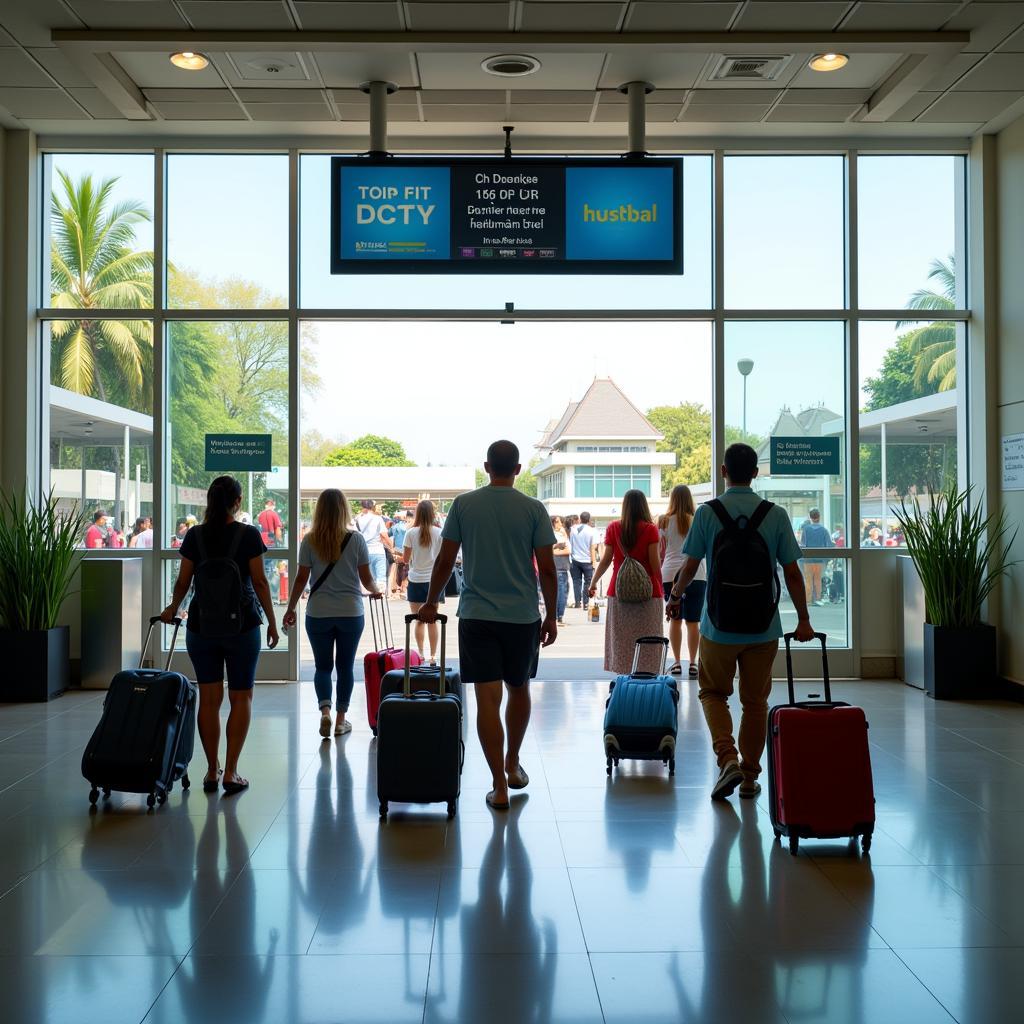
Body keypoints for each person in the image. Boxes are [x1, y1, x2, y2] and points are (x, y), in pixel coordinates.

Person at [667, 444, 815, 802]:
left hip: (718, 625)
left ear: (723, 471)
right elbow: (793, 574)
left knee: (712, 692)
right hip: (763, 626)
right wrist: (804, 620)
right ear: (756, 473)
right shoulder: (775, 514)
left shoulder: (708, 513)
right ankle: (749, 778)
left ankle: (727, 758)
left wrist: (674, 598)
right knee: (755, 701)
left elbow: (689, 568)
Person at [418, 440, 557, 812]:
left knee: (487, 701)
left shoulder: (464, 505)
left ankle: (498, 785)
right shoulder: (533, 509)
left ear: (486, 466)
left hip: (477, 615)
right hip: (522, 617)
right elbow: (546, 568)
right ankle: (512, 763)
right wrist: (552, 616)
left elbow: (445, 559)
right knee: (519, 688)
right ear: (518, 469)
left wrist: (431, 601)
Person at [161, 475, 279, 796]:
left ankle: (212, 771)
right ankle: (232, 771)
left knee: (209, 699)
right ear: (237, 502)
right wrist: (271, 621)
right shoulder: (249, 535)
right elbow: (260, 583)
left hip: (202, 626)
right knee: (242, 696)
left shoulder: (195, 535)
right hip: (241, 627)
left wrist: (173, 607)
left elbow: (184, 582)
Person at [282, 489, 382, 739]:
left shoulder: (309, 540)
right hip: (350, 612)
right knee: (346, 666)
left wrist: (291, 607)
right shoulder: (356, 539)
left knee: (323, 667)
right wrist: (376, 590)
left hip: (318, 613)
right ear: (344, 509)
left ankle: (325, 712)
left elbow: (301, 579)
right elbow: (366, 578)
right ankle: (340, 720)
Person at [589, 489, 664, 676]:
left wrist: (593, 582)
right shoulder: (650, 529)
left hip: (619, 592)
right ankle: (646, 680)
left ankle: (624, 683)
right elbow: (655, 566)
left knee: (621, 641)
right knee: (649, 640)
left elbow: (605, 560)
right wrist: (664, 591)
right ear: (643, 506)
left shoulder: (613, 528)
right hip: (648, 594)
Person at [659, 484, 706, 678]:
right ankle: (693, 663)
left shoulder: (663, 521)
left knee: (675, 621)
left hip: (669, 574)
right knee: (693, 622)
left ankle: (677, 663)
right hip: (696, 574)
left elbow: (660, 552)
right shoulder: (697, 520)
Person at [403, 499, 444, 663]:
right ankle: (434, 656)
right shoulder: (440, 532)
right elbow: (443, 559)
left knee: (418, 620)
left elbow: (406, 559)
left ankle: (421, 654)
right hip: (434, 581)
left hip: (415, 580)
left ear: (417, 514)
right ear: (433, 514)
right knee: (433, 620)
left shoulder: (410, 533)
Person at [355, 499, 393, 595]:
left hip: (364, 552)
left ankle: (370, 592)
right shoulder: (377, 519)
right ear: (372, 507)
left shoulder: (357, 519)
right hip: (378, 551)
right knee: (380, 576)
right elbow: (383, 535)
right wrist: (391, 547)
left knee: (369, 576)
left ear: (362, 507)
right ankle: (379, 594)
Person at [798, 507, 834, 607]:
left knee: (808, 581)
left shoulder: (806, 530)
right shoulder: (824, 530)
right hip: (820, 559)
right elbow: (829, 545)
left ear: (810, 517)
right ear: (819, 517)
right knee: (817, 580)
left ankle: (808, 601)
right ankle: (817, 598)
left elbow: (803, 544)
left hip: (808, 559)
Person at [568, 511, 598, 610]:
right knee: (588, 582)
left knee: (576, 581)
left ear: (580, 519)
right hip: (587, 560)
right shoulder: (592, 531)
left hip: (575, 559)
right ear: (589, 520)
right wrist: (594, 562)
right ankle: (585, 603)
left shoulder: (572, 529)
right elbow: (592, 547)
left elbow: (570, 543)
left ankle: (577, 602)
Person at [551, 516, 571, 626]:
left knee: (561, 591)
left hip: (561, 566)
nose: (560, 524)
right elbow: (568, 550)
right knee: (561, 592)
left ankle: (557, 616)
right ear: (552, 523)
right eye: (557, 522)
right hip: (560, 566)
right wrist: (556, 550)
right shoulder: (556, 535)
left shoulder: (561, 534)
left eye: (561, 522)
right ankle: (559, 616)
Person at [388, 512, 409, 595]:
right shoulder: (408, 526)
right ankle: (404, 587)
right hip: (406, 549)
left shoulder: (394, 527)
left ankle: (397, 586)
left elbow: (388, 534)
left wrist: (392, 547)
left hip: (397, 549)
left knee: (398, 567)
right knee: (406, 567)